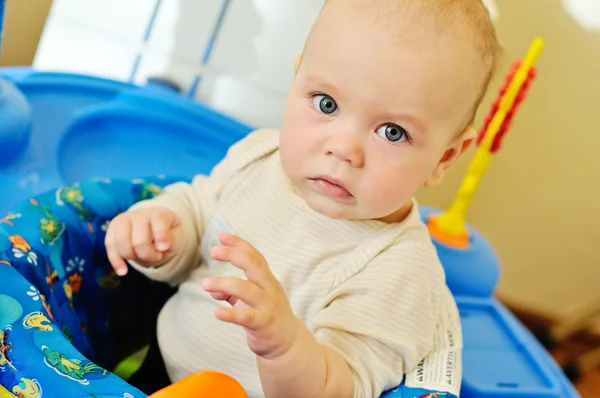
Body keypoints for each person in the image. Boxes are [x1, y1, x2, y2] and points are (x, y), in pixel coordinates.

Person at [105, 0, 502, 396]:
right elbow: (195, 214)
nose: (344, 148)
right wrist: (161, 230)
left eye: (393, 132)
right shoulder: (258, 158)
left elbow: (340, 387)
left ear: (445, 157)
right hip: (154, 366)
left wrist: (285, 347)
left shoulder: (401, 273)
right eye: (326, 104)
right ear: (296, 81)